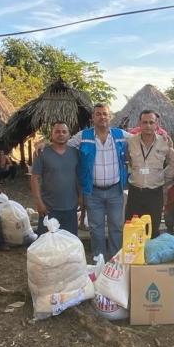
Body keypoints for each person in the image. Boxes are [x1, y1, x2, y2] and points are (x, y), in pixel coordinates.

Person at [68, 103, 130, 260]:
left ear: (110, 117)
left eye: (105, 114)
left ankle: (116, 259)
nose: (102, 117)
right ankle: (99, 260)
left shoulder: (120, 135)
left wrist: (160, 137)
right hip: (92, 191)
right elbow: (65, 146)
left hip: (115, 190)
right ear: (93, 117)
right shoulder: (83, 136)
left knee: (116, 227)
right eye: (98, 114)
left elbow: (140, 139)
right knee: (96, 228)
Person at [125, 110, 174, 238]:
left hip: (155, 193)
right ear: (139, 124)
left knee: (153, 227)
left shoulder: (165, 142)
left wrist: (164, 176)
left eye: (151, 122)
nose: (148, 125)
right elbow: (127, 159)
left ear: (156, 124)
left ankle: (151, 255)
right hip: (135, 192)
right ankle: (136, 256)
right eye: (145, 122)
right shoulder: (131, 142)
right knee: (134, 227)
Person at [31, 121, 81, 235]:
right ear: (51, 134)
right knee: (47, 244)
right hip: (49, 208)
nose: (61, 134)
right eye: (57, 131)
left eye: (64, 131)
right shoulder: (42, 153)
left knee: (69, 242)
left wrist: (81, 197)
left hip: (70, 207)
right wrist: (39, 203)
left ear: (69, 135)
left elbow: (79, 177)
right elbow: (34, 178)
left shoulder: (75, 153)